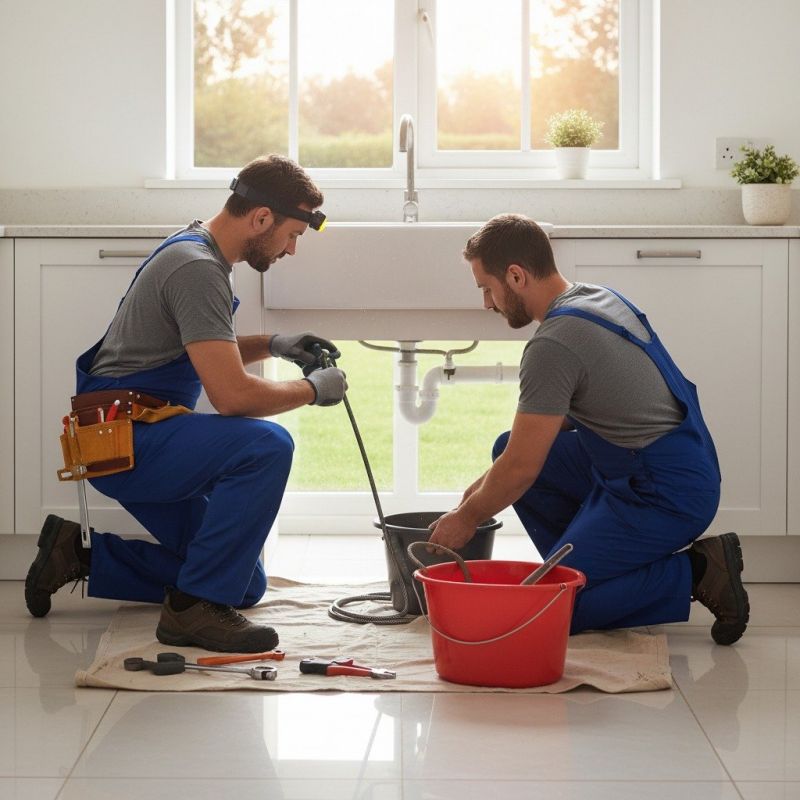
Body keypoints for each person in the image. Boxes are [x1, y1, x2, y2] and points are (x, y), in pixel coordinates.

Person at [24, 155, 348, 652]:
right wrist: (313, 389)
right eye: (292, 235)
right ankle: (193, 610)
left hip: (134, 432)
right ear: (262, 218)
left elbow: (201, 348)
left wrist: (274, 344)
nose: (292, 249)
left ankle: (79, 554)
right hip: (127, 441)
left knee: (243, 585)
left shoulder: (198, 248)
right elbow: (233, 397)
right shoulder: (197, 268)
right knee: (266, 445)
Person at [428, 213, 749, 645]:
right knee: (507, 447)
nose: (487, 303)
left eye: (487, 288)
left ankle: (697, 570)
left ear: (516, 276)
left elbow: (522, 468)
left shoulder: (553, 344)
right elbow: (531, 442)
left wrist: (467, 518)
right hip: (658, 463)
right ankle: (584, 568)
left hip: (665, 493)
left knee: (552, 608)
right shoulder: (597, 297)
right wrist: (474, 495)